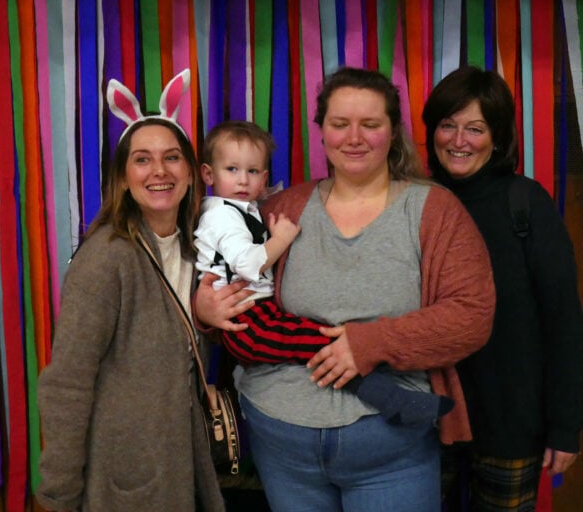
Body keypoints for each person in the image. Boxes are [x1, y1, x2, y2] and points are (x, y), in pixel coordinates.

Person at [194, 67, 496, 512]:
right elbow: (236, 292)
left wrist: (371, 343)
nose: (354, 138)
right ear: (321, 132)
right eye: (340, 124)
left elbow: (471, 315)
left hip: (391, 450)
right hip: (282, 446)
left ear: (392, 131)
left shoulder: (433, 210)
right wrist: (206, 310)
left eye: (370, 124)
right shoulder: (280, 208)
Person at [36, 71, 225, 512]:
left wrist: (205, 320)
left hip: (180, 456)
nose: (159, 171)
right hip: (126, 466)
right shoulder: (107, 258)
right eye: (142, 159)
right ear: (123, 178)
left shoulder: (197, 248)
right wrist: (60, 492)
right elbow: (67, 384)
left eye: (172, 157)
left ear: (191, 172)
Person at [194, 120, 453, 425]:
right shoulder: (221, 216)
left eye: (252, 171)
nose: (242, 180)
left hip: (256, 313)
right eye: (231, 170)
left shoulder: (242, 208)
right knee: (326, 343)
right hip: (244, 321)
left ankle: (392, 398)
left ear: (263, 178)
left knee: (322, 346)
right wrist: (281, 239)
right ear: (208, 174)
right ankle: (394, 398)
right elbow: (248, 265)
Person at [422, 65, 583, 511]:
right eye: (447, 125)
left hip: (512, 424)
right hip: (426, 422)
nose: (458, 140)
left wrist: (565, 426)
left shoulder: (525, 203)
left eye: (475, 128)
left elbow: (563, 321)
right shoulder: (414, 201)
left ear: (497, 137)